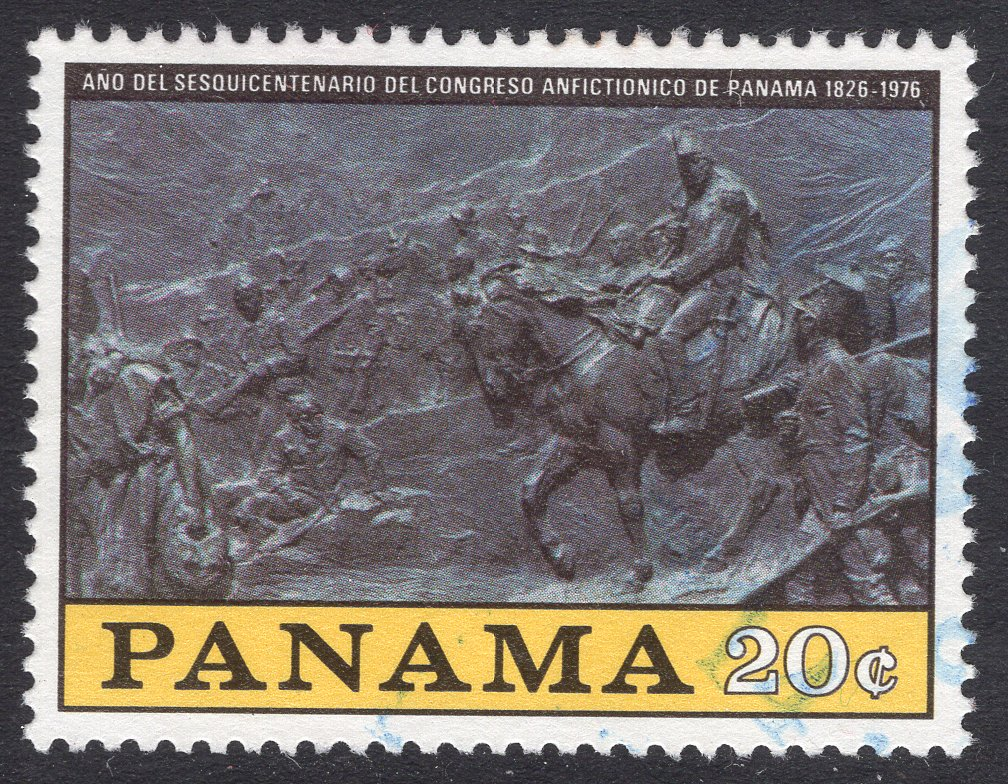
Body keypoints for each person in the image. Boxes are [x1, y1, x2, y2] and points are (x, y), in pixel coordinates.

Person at [777, 265, 896, 605]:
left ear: (811, 323)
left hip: (835, 492)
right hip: (818, 487)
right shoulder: (814, 370)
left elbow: (858, 436)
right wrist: (792, 427)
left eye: (797, 318)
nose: (791, 326)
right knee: (798, 579)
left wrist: (845, 502)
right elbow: (818, 429)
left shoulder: (839, 366)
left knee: (865, 582)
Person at [649, 132, 769, 438]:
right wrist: (674, 238)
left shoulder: (729, 196)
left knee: (669, 336)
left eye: (692, 163)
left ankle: (687, 410)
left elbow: (717, 249)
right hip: (691, 281)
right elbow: (691, 237)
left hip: (719, 284)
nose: (687, 172)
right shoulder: (691, 194)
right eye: (682, 166)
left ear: (707, 160)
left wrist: (675, 273)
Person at [218, 392, 385, 545]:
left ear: (320, 416)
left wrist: (374, 485)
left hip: (332, 497)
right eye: (301, 421)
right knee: (252, 504)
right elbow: (267, 473)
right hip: (296, 496)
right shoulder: (283, 438)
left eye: (313, 418)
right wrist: (287, 493)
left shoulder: (341, 431)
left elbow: (371, 452)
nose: (308, 425)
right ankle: (248, 546)